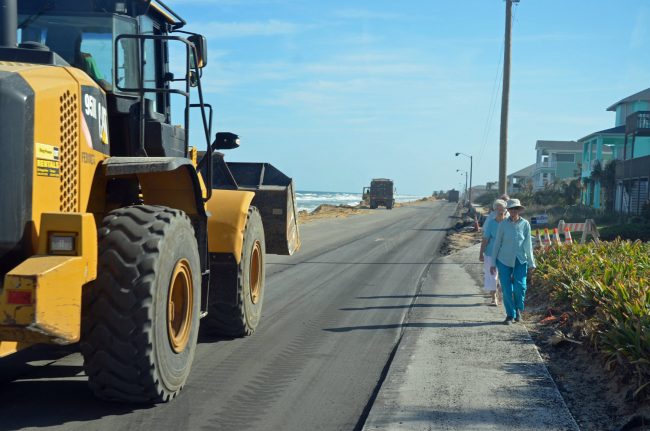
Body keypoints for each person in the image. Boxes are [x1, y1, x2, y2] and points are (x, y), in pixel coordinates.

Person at [490, 198, 536, 325]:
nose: (513, 211)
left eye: (516, 208)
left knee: (520, 287)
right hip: (503, 260)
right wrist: (493, 263)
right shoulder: (503, 224)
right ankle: (510, 315)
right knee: (506, 288)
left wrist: (531, 263)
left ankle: (518, 310)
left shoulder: (525, 224)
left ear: (519, 210)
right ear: (508, 210)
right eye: (511, 209)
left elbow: (528, 244)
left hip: (521, 260)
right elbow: (497, 244)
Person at [479, 199, 507, 305]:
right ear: (495, 210)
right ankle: (494, 297)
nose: (499, 211)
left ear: (505, 210)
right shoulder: (491, 223)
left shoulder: (508, 222)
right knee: (492, 276)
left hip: (504, 253)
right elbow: (485, 239)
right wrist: (481, 253)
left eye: (502, 209)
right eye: (497, 209)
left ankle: (499, 290)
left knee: (503, 276)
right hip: (490, 253)